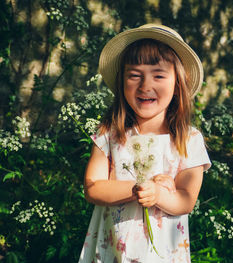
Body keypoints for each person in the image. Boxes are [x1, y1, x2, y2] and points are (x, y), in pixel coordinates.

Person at [78, 24, 211, 263]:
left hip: (160, 254)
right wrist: (137, 188)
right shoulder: (110, 133)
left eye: (158, 75)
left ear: (178, 84)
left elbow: (186, 200)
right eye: (135, 75)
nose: (145, 85)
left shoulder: (188, 139)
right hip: (111, 251)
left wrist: (157, 194)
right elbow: (93, 187)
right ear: (122, 82)